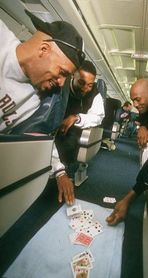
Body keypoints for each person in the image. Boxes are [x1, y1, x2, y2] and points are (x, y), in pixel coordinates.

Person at [0, 9, 85, 205]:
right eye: (62, 72)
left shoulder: (35, 102)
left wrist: (59, 170)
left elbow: (38, 138)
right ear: (43, 49)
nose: (62, 83)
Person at [106, 79, 148, 225]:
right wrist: (143, 126)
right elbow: (142, 117)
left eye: (138, 100)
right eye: (133, 101)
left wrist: (130, 196)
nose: (135, 105)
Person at [55, 60, 105, 179]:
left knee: (69, 142)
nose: (85, 89)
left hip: (74, 129)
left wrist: (77, 118)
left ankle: (66, 172)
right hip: (53, 123)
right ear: (73, 75)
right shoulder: (61, 83)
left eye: (90, 85)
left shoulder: (95, 94)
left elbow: (98, 118)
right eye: (81, 83)